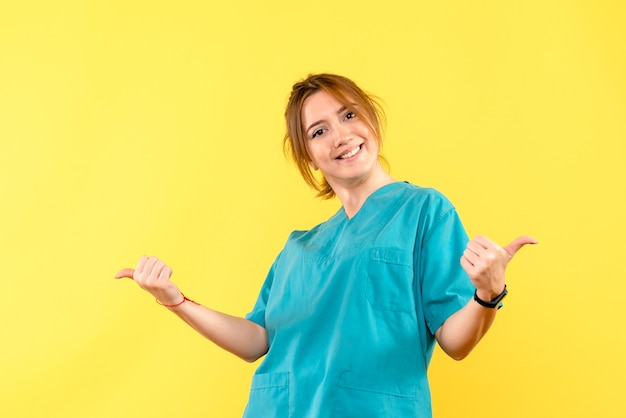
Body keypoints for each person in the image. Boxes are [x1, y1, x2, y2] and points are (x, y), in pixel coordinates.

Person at [115, 73, 536, 417]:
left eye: (349, 114)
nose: (341, 135)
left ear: (371, 119)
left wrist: (487, 293)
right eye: (319, 131)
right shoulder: (299, 249)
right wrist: (175, 300)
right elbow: (256, 340)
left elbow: (455, 342)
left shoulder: (424, 211)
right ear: (309, 156)